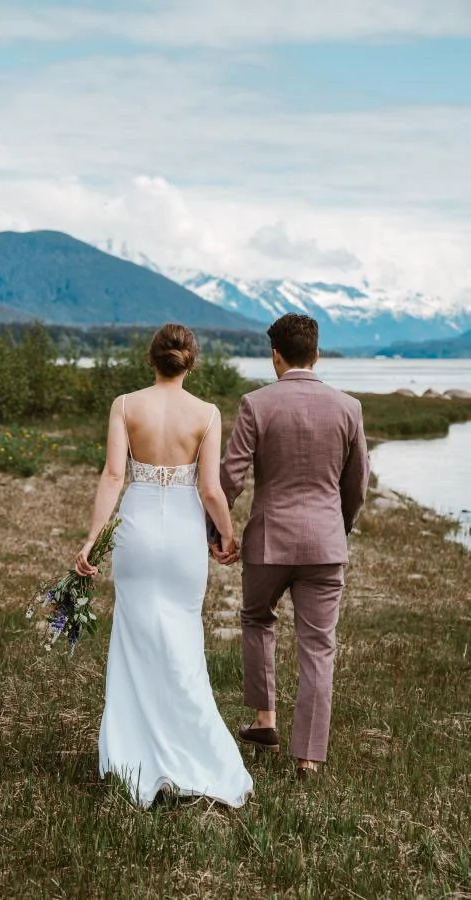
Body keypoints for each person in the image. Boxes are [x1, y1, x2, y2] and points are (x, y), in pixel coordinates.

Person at [74, 323, 253, 808]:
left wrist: (92, 540)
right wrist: (228, 534)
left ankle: (133, 758)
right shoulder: (208, 413)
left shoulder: (126, 405)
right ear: (190, 362)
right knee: (183, 640)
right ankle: (198, 755)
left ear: (151, 360)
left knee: (134, 640)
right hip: (182, 536)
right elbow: (211, 490)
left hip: (136, 532)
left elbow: (114, 474)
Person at [211, 313, 369, 780]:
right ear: (316, 353)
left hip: (268, 542)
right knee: (319, 646)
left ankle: (265, 721)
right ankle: (310, 758)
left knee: (257, 618)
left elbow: (230, 477)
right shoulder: (349, 407)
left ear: (275, 355)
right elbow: (357, 483)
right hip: (325, 542)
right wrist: (340, 527)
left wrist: (217, 531)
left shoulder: (255, 404)